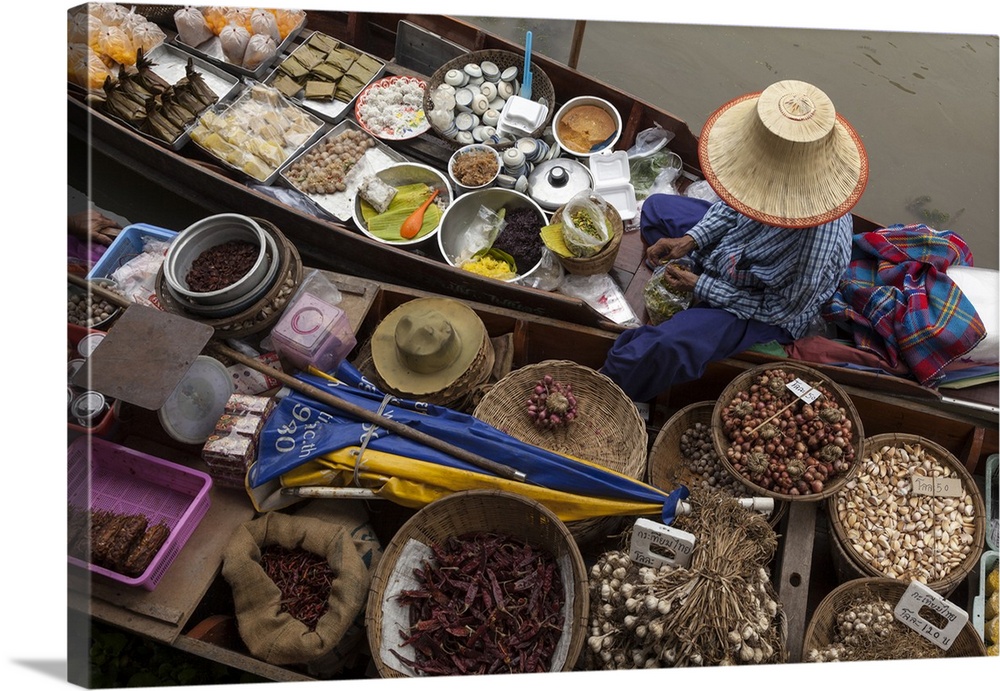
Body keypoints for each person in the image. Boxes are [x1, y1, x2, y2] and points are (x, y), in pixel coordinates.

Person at [601, 79, 869, 402]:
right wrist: (690, 240)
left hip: (763, 306)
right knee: (657, 210)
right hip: (736, 251)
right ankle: (697, 278)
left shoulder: (816, 243)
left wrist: (700, 285)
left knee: (662, 349)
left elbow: (777, 309)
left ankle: (607, 390)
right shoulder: (764, 171)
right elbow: (733, 209)